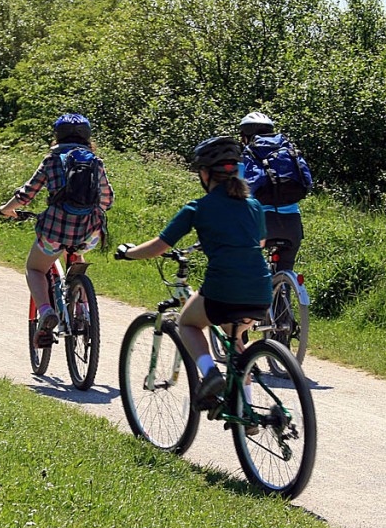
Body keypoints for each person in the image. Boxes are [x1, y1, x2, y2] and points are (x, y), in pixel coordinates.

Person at [113, 136, 271, 409]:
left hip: (223, 290)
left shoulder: (198, 207)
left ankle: (210, 375)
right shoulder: (254, 205)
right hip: (261, 291)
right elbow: (260, 242)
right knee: (236, 346)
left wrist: (129, 252)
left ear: (205, 174)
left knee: (187, 323)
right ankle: (246, 414)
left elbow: (158, 247)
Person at [0, 113, 114, 347]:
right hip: (89, 233)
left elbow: (27, 194)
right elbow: (107, 200)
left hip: (55, 231)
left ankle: (46, 311)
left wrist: (7, 209)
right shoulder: (95, 162)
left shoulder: (51, 160)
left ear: (57, 135)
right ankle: (81, 309)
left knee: (35, 269)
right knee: (77, 252)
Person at [237, 111, 311, 273]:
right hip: (292, 224)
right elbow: (307, 181)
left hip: (260, 224)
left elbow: (236, 192)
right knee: (285, 268)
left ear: (245, 136)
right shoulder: (288, 151)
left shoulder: (248, 156)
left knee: (244, 269)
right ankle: (285, 285)